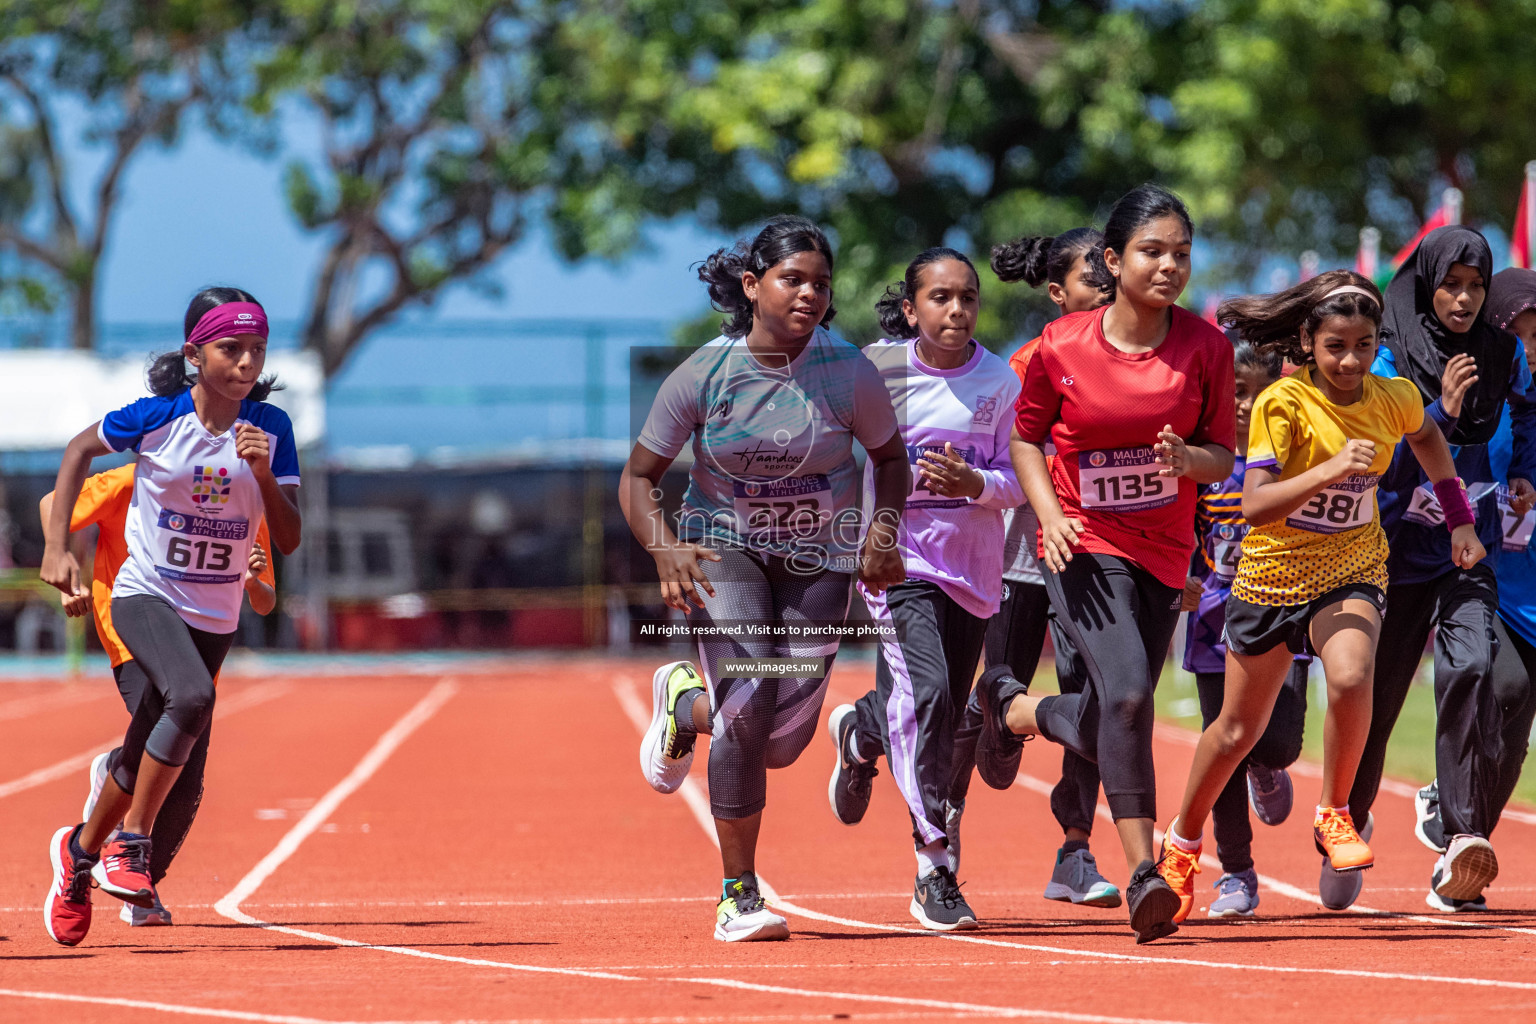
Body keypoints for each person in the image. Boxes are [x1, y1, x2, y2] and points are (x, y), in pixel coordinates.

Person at [1149, 270, 1483, 925]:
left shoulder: (1394, 397)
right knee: (1237, 731)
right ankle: (1182, 844)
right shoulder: (1282, 405)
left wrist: (1459, 517)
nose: (1351, 360)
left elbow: (1428, 438)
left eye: (1364, 344)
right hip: (1272, 578)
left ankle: (1335, 813)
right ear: (1307, 341)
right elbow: (1256, 504)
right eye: (1336, 346)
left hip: (1352, 566)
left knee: (1354, 671)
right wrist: (1332, 468)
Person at [621, 216, 907, 942]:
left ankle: (686, 706)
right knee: (747, 710)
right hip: (727, 550)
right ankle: (738, 894)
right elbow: (638, 478)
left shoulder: (848, 373)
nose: (809, 293)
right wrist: (664, 549)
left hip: (820, 557)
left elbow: (892, 462)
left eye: (820, 283)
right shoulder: (704, 374)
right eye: (792, 279)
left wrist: (880, 534)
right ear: (752, 287)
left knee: (783, 738)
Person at [972, 183, 1237, 944]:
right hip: (1082, 541)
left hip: (1163, 549)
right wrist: (1051, 516)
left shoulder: (1206, 348)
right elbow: (1026, 439)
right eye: (1152, 251)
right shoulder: (1061, 347)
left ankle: (1019, 710)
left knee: (1122, 706)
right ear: (1114, 261)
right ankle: (1143, 874)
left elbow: (1221, 454)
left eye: (1181, 253)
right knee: (1124, 698)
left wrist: (1192, 458)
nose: (1169, 266)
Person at [41, 286, 302, 947]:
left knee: (164, 755)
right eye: (231, 348)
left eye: (257, 350)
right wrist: (55, 552)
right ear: (195, 354)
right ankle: (131, 846)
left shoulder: (273, 433)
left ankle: (78, 855)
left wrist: (265, 477)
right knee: (190, 694)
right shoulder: (155, 419)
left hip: (214, 617)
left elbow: (290, 539)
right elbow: (76, 452)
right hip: (144, 594)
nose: (247, 363)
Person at [823, 247, 1022, 930]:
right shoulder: (875, 371)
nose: (957, 310)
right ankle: (934, 867)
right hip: (898, 565)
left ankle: (859, 731)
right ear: (911, 309)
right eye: (940, 297)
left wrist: (979, 486)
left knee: (937, 710)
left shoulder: (999, 382)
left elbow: (1026, 478)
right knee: (930, 695)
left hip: (971, 570)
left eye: (967, 297)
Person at [1345, 227, 1536, 912]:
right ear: (1428, 285)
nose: (1464, 297)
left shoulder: (1504, 354)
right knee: (1381, 697)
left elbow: (1528, 417)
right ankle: (1351, 812)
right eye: (1451, 284)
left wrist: (1522, 477)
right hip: (1398, 555)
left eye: (1476, 286)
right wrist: (1444, 413)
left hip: (1469, 549)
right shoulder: (1391, 357)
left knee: (1471, 670)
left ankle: (1461, 838)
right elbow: (1390, 459)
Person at [952, 228, 1122, 909]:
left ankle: (1075, 851)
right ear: (1058, 294)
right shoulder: (1025, 364)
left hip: (1094, 558)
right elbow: (992, 460)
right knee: (999, 692)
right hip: (1020, 558)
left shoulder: (1134, 359)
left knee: (1100, 698)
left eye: (1113, 277)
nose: (1109, 291)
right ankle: (959, 794)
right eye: (1094, 281)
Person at [41, 464, 277, 926]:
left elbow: (266, 600)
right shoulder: (139, 477)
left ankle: (132, 878)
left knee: (186, 774)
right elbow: (53, 504)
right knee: (173, 724)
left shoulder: (244, 494)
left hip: (198, 640)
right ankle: (107, 851)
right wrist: (65, 567)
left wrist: (253, 582)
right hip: (132, 628)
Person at [1415, 266, 1536, 911]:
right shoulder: (1493, 412)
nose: (1535, 350)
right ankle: (1462, 837)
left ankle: (1466, 841)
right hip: (1496, 586)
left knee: (1515, 738)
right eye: (1526, 337)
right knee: (1505, 687)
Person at [1178, 337, 1308, 918]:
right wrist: (1179, 575)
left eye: (1253, 395)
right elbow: (1176, 527)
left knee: (1277, 742)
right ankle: (1236, 873)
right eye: (1231, 392)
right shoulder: (1203, 466)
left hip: (1284, 610)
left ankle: (1267, 765)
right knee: (1220, 741)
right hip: (1214, 621)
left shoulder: (1290, 462)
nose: (1239, 405)